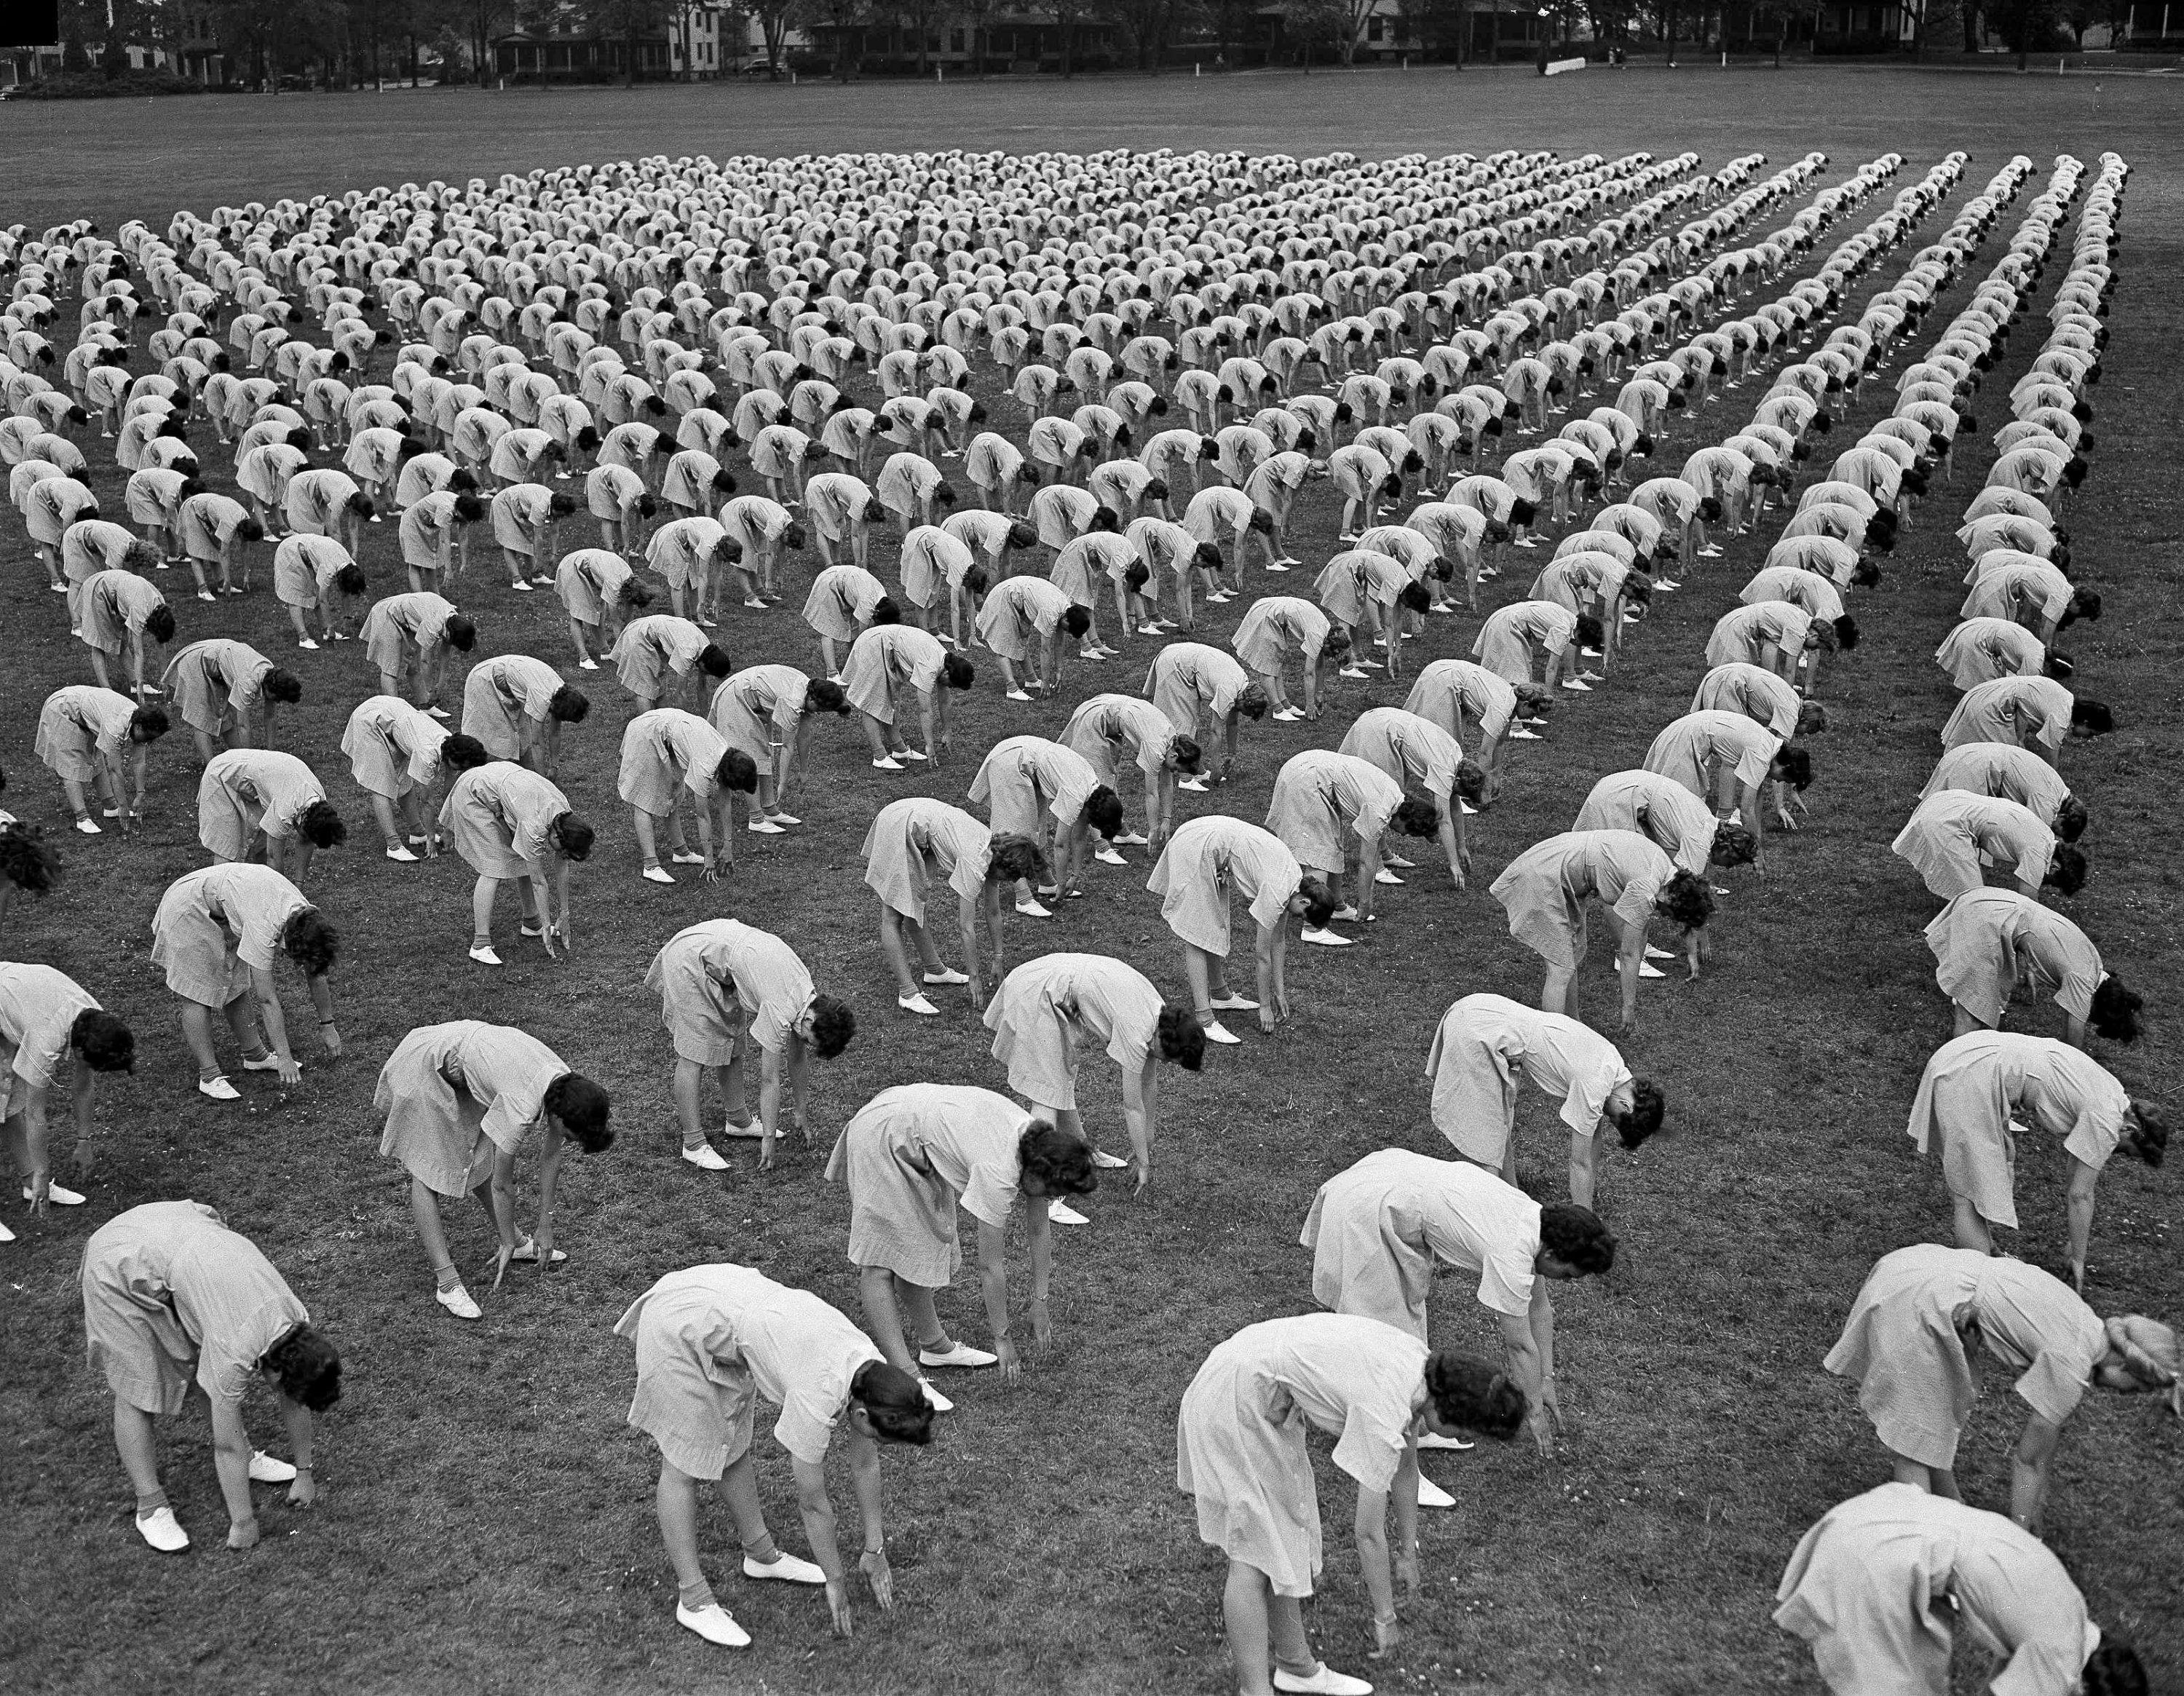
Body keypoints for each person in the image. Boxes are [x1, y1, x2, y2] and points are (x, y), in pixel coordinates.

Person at [1176, 1315, 1526, 1696]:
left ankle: (1296, 1668)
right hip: (1235, 1396)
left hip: (1261, 1389)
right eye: (1466, 1431)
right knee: (1253, 1556)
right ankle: (1253, 1692)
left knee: (1285, 1527)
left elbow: (1406, 1470)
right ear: (1450, 1411)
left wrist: (1408, 1553)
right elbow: (1369, 1533)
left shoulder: (1421, 1371)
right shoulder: (1386, 1408)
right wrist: (1384, 1617)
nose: (1463, 1438)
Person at [612, 1263, 935, 1649]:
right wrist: (835, 1578)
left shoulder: (869, 1368)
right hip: (681, 1321)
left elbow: (865, 1462)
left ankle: (761, 1555)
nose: (879, 1447)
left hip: (729, 1307)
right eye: (883, 1439)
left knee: (732, 1442)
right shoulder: (820, 1394)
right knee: (682, 1465)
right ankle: (693, 1600)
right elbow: (813, 1504)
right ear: (862, 1416)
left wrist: (874, 1548)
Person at [1822, 1244, 2179, 1534]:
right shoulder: (2072, 1363)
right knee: (1914, 1439)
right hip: (1922, 1300)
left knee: (1937, 1412)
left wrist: (2033, 1508)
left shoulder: (2085, 1320)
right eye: (2132, 1388)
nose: (2122, 1395)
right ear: (2124, 1364)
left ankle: (1950, 1512)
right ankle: (1918, 1547)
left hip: (1923, 1267)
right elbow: (2030, 1460)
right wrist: (2020, 1536)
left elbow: (2043, 1451)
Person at [1301, 1149, 1616, 1463]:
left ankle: (1411, 1430)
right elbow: (1520, 1346)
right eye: (1568, 1275)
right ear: (1552, 1255)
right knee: (1383, 1341)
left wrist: (1545, 1379)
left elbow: (1539, 1309)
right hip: (1371, 1204)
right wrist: (1534, 1411)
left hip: (1391, 1177)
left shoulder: (1535, 1220)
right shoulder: (1513, 1253)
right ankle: (1387, 1456)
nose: (1564, 1281)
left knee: (1403, 1332)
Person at [79, 1200, 339, 1553]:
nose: (283, 1394)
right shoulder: (236, 1350)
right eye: (284, 1387)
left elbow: (295, 1400)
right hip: (119, 1259)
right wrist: (243, 1523)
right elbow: (226, 1446)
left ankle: (251, 1460)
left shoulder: (296, 1319)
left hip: (171, 1228)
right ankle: (150, 1506)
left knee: (202, 1366)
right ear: (277, 1369)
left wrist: (305, 1473)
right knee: (139, 1387)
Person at [826, 1082, 1096, 1411]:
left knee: (923, 1243)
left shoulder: (1040, 1146)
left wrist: (1040, 1302)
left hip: (917, 1131)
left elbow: (1039, 1230)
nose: (1053, 1197)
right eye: (1052, 1189)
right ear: (1039, 1171)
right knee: (880, 1262)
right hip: (884, 1133)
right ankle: (904, 1376)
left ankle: (935, 1347)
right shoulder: (999, 1170)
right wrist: (1002, 1337)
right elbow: (990, 1266)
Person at [1773, 1483, 2151, 1696]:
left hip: (1881, 1515)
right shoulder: (2060, 1660)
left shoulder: (2073, 1611)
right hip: (1882, 1557)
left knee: (1918, 1680)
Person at [374, 1020, 612, 1320]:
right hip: (425, 1066)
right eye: (567, 1135)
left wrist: (546, 1223)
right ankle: (447, 1284)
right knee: (428, 1173)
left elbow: (550, 1156)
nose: (564, 1140)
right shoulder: (521, 1108)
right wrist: (505, 1240)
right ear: (559, 1118)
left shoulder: (564, 1085)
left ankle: (517, 1240)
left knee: (477, 1153)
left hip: (460, 1059)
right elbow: (503, 1186)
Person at [1905, 1029, 2167, 1286]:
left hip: (1968, 1053)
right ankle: (1978, 1282)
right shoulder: (2107, 1122)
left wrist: (2075, 1242)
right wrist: (2078, 1258)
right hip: (1971, 1073)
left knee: (1991, 1167)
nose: (2116, 1153)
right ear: (2130, 1130)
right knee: (1969, 1194)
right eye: (2126, 1151)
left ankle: (1988, 1252)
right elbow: (2080, 1195)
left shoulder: (2113, 1093)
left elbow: (2074, 1173)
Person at [984, 952, 1204, 1208]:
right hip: (1039, 993)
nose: (1165, 1062)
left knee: (1059, 1081)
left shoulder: (1159, 1014)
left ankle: (1084, 1150)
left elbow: (1148, 1081)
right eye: (1170, 1059)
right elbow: (1132, 1105)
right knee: (1046, 1094)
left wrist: (1147, 1139)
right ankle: (1045, 1191)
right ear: (1165, 1043)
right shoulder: (1137, 1032)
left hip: (1054, 986)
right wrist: (1143, 1162)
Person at [643, 919, 856, 1173]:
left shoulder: (805, 993)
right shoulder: (782, 1008)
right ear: (810, 1020)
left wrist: (800, 1112)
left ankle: (738, 1120)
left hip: (720, 960)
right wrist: (768, 1139)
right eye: (811, 1041)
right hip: (690, 957)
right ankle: (693, 1143)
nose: (806, 1045)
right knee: (694, 1052)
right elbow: (770, 1080)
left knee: (732, 1039)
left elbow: (797, 1059)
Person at [1423, 992, 1663, 1210]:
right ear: (1627, 1106)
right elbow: (1579, 1163)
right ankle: (1486, 1216)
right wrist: (1584, 1222)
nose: (1607, 1117)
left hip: (1482, 1009)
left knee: (1498, 1127)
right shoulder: (1595, 1084)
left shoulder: (1614, 1065)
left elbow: (1592, 1148)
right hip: (1478, 1032)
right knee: (1486, 1144)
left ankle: (1514, 1201)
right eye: (1614, 1118)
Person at [1487, 831, 1715, 1031]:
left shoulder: (1664, 867)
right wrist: (1628, 1008)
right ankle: (1550, 1040)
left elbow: (1640, 933)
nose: (1666, 916)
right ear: (1674, 898)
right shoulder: (1646, 887)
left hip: (1557, 864)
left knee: (1571, 956)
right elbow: (1628, 954)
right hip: (1544, 875)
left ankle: (1573, 1026)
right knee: (1560, 969)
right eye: (1674, 914)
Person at [150, 863, 340, 1101]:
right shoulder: (264, 926)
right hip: (188, 906)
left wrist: (327, 1024)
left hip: (223, 907)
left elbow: (316, 970)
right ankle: (208, 1076)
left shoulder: (306, 914)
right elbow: (267, 1000)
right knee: (196, 991)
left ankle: (255, 1056)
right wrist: (284, 1057)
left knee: (236, 982)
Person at [1147, 815, 1335, 1046]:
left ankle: (1220, 995)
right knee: (1196, 934)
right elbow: (1261, 955)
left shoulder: (1295, 881)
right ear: (1305, 902)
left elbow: (1278, 942)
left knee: (1213, 926)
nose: (1299, 919)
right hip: (1196, 844)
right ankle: (1204, 1020)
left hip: (1211, 843)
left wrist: (1280, 993)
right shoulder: (1278, 891)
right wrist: (1265, 1006)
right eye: (1304, 916)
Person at [859, 797, 1048, 1015]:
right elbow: (966, 927)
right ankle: (907, 993)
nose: (1010, 881)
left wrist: (998, 959)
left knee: (915, 900)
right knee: (893, 915)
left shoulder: (994, 851)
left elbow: (993, 912)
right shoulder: (975, 861)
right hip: (901, 823)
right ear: (1005, 866)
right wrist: (974, 977)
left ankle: (934, 970)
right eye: (1011, 876)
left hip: (920, 822)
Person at [0, 963, 132, 1227]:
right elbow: (35, 1114)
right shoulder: (45, 1039)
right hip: (10, 995)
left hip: (10, 996)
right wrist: (43, 1170)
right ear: (82, 1052)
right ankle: (35, 1178)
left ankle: (30, 1184)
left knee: (6, 1103)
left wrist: (84, 1141)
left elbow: (83, 1086)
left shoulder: (94, 1019)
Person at [1924, 886, 2138, 1048]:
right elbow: (2070, 1048)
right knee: (1973, 1015)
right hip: (1987, 920)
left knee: (1986, 1018)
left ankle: (1968, 1063)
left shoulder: (2093, 961)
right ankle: (1956, 1068)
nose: (2085, 1016)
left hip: (1990, 901)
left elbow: (2045, 938)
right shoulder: (2082, 981)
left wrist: (2028, 965)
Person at [1265, 748, 1436, 944]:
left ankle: (1337, 908)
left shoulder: (1394, 795)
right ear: (1407, 818)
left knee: (1332, 846)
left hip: (1308, 770)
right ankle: (1312, 927)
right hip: (1307, 779)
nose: (1404, 835)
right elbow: (1366, 861)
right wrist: (1365, 902)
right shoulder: (1379, 810)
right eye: (1409, 831)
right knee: (1319, 853)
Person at [439, 760, 594, 965]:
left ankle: (531, 922)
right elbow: (539, 883)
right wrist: (548, 927)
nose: (562, 855)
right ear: (557, 837)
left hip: (499, 779)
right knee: (494, 867)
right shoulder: (534, 826)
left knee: (523, 858)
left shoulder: (564, 813)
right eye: (564, 851)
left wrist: (564, 913)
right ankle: (480, 945)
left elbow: (562, 864)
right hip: (474, 793)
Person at [966, 734, 1125, 914]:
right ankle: (1023, 898)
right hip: (1010, 760)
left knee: (1038, 828)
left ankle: (1046, 881)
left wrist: (1074, 876)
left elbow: (1079, 836)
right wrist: (1063, 882)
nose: (1091, 825)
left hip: (1031, 764)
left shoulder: (1093, 788)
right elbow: (1061, 844)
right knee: (1014, 833)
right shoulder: (1076, 794)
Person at [1337, 707, 1487, 891]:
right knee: (1385, 802)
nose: (1456, 794)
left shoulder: (1457, 758)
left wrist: (1462, 847)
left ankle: (1385, 854)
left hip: (1384, 723)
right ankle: (1377, 868)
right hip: (1379, 731)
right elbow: (1444, 820)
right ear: (1457, 779)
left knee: (1391, 800)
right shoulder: (1444, 768)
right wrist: (1454, 865)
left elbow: (1454, 806)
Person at [617, 708, 758, 884]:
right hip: (646, 733)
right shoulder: (706, 765)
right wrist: (709, 859)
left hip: (667, 736)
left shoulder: (727, 756)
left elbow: (725, 803)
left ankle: (681, 852)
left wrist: (728, 847)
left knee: (672, 793)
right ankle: (651, 866)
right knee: (644, 799)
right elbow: (702, 815)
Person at [341, 696, 490, 862]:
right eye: (462, 767)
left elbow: (450, 793)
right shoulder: (427, 755)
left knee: (404, 778)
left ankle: (418, 832)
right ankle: (394, 846)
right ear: (454, 759)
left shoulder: (452, 744)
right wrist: (432, 839)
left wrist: (449, 830)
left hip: (392, 715)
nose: (462, 771)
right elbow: (427, 802)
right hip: (370, 720)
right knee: (381, 783)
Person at [708, 664, 849, 833]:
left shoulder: (808, 690)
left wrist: (804, 771)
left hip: (754, 698)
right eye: (819, 709)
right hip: (735, 696)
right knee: (748, 756)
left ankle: (770, 810)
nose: (818, 713)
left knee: (763, 751)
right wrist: (782, 784)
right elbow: (787, 746)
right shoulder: (792, 701)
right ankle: (756, 819)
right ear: (812, 700)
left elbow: (804, 736)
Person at [1642, 709, 1812, 840]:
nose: (1776, 780)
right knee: (1674, 805)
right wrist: (1755, 851)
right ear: (1784, 767)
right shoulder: (1762, 757)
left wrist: (1757, 838)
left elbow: (1755, 800)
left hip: (1690, 730)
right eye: (1781, 778)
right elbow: (1746, 811)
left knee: (1679, 807)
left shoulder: (1771, 745)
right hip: (1686, 738)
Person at [1888, 790, 2084, 903]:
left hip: (1944, 801)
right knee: (1975, 901)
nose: (2045, 882)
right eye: (2052, 882)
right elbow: (2028, 906)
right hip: (1947, 822)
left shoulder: (2045, 833)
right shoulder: (2039, 853)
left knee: (1972, 892)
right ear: (2055, 867)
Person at [1402, 658, 1548, 804]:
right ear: (1525, 704)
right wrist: (1483, 792)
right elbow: (1485, 752)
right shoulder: (1502, 708)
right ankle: (1449, 797)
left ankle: (1449, 792)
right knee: (1440, 743)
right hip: (1443, 680)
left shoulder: (1511, 699)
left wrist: (1496, 776)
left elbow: (1500, 743)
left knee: (1453, 743)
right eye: (1533, 713)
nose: (1532, 718)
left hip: (1447, 675)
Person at [1573, 769, 1758, 878]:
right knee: (1617, 875)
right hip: (1619, 796)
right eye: (1732, 863)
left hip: (1623, 785)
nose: (1727, 868)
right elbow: (1690, 895)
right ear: (1727, 850)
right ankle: (1631, 945)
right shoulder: (1699, 840)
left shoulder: (1708, 822)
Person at [33, 684, 167, 835]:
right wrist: (124, 805)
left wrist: (140, 794)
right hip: (62, 709)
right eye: (149, 737)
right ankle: (82, 818)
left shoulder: (140, 720)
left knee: (95, 758)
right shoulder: (115, 728)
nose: (148, 742)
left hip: (82, 710)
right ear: (139, 727)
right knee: (71, 763)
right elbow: (115, 771)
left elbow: (139, 762)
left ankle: (110, 807)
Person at [839, 622, 973, 771]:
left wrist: (947, 733)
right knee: (872, 702)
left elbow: (945, 702)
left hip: (887, 647)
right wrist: (929, 745)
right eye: (951, 684)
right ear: (948, 673)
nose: (949, 687)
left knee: (891, 702)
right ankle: (880, 756)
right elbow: (925, 710)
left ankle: (899, 749)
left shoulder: (945, 661)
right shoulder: (930, 666)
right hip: (874, 644)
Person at [195, 748, 346, 880]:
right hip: (220, 775)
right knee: (227, 849)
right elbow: (273, 858)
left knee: (258, 843)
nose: (306, 838)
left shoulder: (318, 800)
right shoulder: (285, 809)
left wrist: (298, 887)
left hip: (247, 772)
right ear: (305, 823)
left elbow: (306, 841)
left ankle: (254, 888)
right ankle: (220, 903)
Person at [1144, 641, 1270, 789]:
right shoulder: (1229, 689)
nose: (1243, 714)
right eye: (1246, 712)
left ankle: (1198, 772)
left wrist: (1232, 754)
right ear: (1246, 703)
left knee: (1189, 720)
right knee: (1184, 721)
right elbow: (1215, 730)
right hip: (1175, 664)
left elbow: (1232, 723)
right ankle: (1185, 779)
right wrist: (1216, 768)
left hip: (1179, 656)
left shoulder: (1242, 686)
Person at [159, 638, 300, 765]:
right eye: (277, 698)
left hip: (219, 664)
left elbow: (270, 717)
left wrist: (271, 754)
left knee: (225, 716)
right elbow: (243, 726)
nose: (277, 701)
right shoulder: (248, 683)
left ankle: (237, 760)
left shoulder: (271, 674)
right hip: (198, 660)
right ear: (271, 688)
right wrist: (248, 764)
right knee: (201, 718)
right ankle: (212, 768)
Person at [1940, 674, 2112, 768]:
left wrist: (2019, 738)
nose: (2086, 739)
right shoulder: (2060, 717)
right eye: (2090, 734)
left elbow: (2024, 706)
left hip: (1985, 694)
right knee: (1998, 760)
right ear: (2086, 722)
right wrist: (2055, 787)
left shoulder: (2066, 698)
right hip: (1990, 705)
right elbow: (2051, 756)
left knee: (1989, 756)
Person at [460, 655, 587, 781]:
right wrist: (543, 781)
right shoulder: (542, 698)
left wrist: (555, 766)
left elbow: (555, 733)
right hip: (483, 679)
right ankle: (486, 779)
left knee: (522, 734)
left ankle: (526, 778)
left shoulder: (562, 692)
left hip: (506, 682)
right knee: (502, 738)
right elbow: (537, 742)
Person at [1231, 595, 1348, 722]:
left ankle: (1285, 705)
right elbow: (1309, 673)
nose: (1328, 656)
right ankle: (1278, 710)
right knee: (1268, 665)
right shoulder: (1317, 635)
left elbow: (1319, 665)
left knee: (1276, 661)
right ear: (1329, 644)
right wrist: (1310, 704)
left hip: (1273, 610)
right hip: (1266, 614)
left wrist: (1319, 693)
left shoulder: (1326, 629)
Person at [359, 591, 477, 715]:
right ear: (450, 634)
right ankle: (394, 714)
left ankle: (426, 707)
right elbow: (425, 660)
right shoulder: (434, 625)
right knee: (390, 669)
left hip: (407, 621)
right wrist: (431, 689)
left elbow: (445, 653)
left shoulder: (454, 622)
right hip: (387, 614)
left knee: (412, 666)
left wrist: (440, 684)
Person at [75, 567, 176, 696]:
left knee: (122, 641)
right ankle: (107, 691)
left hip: (118, 588)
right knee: (99, 642)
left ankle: (133, 684)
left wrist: (164, 678)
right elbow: (138, 653)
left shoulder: (160, 605)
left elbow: (161, 644)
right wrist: (141, 689)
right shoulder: (140, 612)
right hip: (98, 590)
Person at [558, 545, 654, 667]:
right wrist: (624, 653)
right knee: (579, 614)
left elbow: (629, 617)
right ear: (629, 594)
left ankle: (605, 651)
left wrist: (631, 645)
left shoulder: (630, 578)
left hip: (590, 569)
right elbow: (616, 622)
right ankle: (584, 658)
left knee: (598, 612)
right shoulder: (614, 584)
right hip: (573, 566)